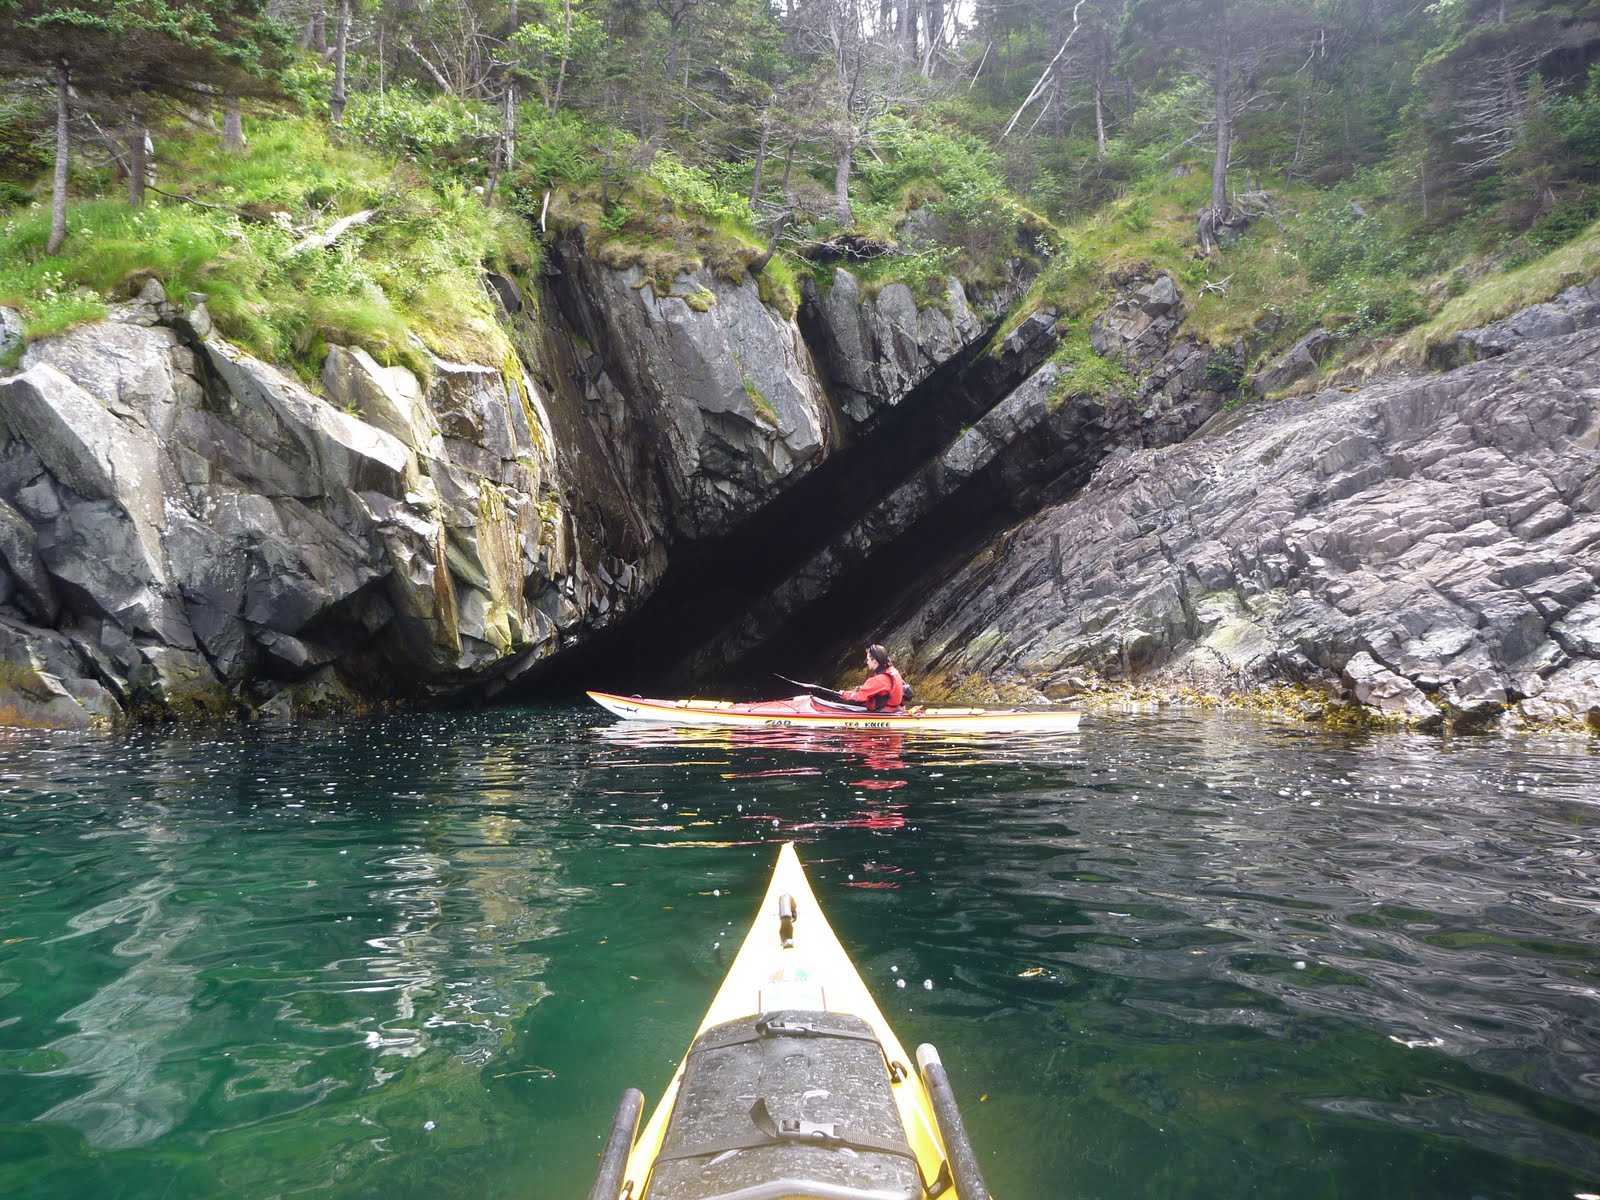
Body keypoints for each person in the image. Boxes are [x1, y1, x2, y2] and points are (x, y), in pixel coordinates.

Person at [840, 644, 906, 711]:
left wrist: (844, 693)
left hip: (883, 714)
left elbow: (857, 699)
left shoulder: (878, 680)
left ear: (874, 661)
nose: (867, 662)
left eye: (868, 659)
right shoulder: (894, 672)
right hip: (894, 710)